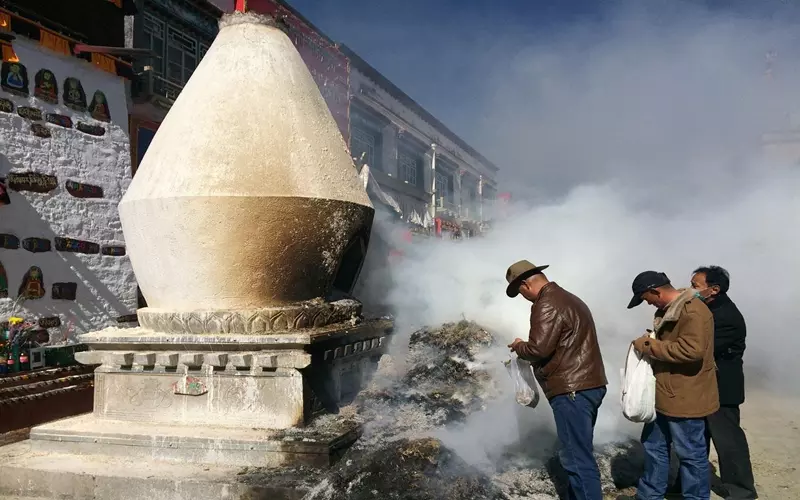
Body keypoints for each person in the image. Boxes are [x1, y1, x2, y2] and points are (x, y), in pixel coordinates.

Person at [505, 259, 608, 500]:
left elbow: (539, 349)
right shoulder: (569, 298)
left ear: (525, 285)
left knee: (576, 459)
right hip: (587, 385)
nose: (522, 297)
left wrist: (520, 346)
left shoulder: (546, 303)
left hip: (571, 389)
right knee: (580, 454)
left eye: (519, 291)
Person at [623, 271, 719, 500]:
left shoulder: (693, 311)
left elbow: (691, 350)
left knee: (691, 454)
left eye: (647, 298)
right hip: (664, 394)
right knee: (653, 446)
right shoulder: (669, 310)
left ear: (656, 291)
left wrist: (648, 345)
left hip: (686, 397)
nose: (648, 303)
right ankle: (649, 495)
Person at [691, 266, 758, 499]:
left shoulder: (727, 317)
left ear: (714, 289)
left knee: (728, 442)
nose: (691, 290)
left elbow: (701, 349)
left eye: (696, 286)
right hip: (704, 387)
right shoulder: (706, 309)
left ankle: (741, 491)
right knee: (696, 438)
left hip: (722, 390)